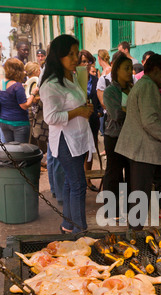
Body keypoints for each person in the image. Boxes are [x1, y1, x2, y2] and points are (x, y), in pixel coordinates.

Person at [115, 54, 161, 229]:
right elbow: (149, 121)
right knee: (139, 197)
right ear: (156, 70)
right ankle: (135, 236)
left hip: (145, 150)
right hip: (142, 151)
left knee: (141, 195)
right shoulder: (147, 87)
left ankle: (136, 232)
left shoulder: (145, 85)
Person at [40, 34, 94, 234]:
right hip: (65, 141)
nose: (75, 58)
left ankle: (68, 226)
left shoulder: (70, 78)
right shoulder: (51, 83)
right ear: (58, 56)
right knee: (79, 184)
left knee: (73, 184)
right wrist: (79, 111)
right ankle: (81, 233)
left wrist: (84, 107)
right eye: (70, 54)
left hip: (77, 138)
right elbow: (51, 117)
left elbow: (74, 103)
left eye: (76, 53)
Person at [103, 53, 134, 220]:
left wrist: (127, 110)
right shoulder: (110, 91)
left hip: (131, 136)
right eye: (126, 68)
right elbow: (116, 114)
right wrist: (132, 111)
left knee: (131, 173)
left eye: (131, 68)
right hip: (114, 137)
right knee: (114, 174)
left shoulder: (133, 89)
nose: (130, 72)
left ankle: (129, 209)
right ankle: (111, 211)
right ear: (117, 70)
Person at [0, 58, 39, 143]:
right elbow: (24, 106)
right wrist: (33, 93)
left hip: (4, 122)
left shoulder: (2, 83)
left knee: (10, 151)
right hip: (19, 123)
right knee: (21, 152)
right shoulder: (17, 86)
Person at [78, 50, 100, 192]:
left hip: (92, 118)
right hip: (78, 118)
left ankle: (88, 180)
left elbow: (98, 98)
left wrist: (98, 111)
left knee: (90, 149)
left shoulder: (95, 80)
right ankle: (79, 179)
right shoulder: (75, 79)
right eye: (83, 61)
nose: (86, 64)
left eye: (89, 61)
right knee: (79, 150)